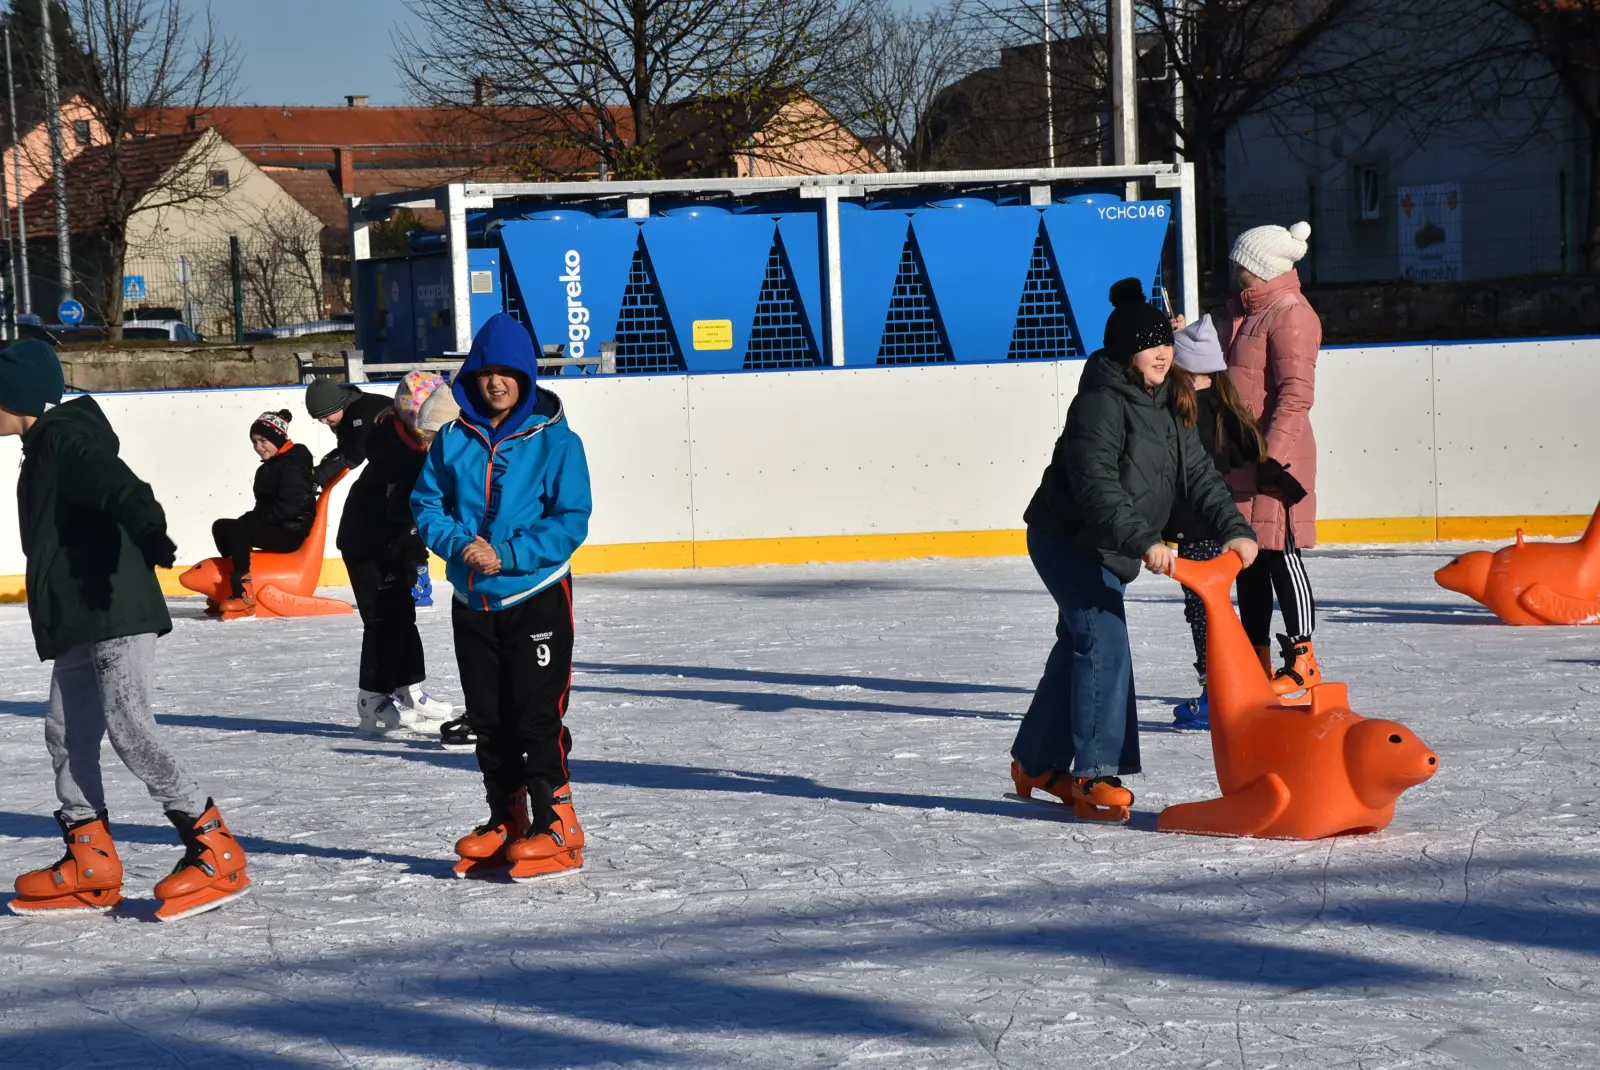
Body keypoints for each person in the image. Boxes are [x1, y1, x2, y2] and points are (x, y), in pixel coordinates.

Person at [0, 340, 250, 921]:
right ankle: (90, 858)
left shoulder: (64, 438)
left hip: (114, 608)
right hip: (79, 615)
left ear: (15, 397)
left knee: (130, 728)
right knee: (66, 735)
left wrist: (148, 526)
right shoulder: (43, 446)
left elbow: (120, 486)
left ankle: (214, 846)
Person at [1009, 280, 1258, 822]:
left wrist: (1235, 528)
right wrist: (1145, 540)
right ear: (1127, 353)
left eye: (1164, 346)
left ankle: (1034, 760)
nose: (1163, 355)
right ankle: (1097, 774)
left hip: (1111, 545)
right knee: (1103, 639)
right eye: (1151, 348)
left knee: (1078, 645)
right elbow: (1096, 485)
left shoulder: (1169, 401)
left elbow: (1199, 476)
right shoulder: (1099, 404)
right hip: (1068, 539)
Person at [412, 313, 592, 880]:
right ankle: (506, 816)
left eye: (507, 373)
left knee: (535, 714)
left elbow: (571, 520)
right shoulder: (451, 439)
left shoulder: (558, 441)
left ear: (525, 378)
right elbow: (427, 505)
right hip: (473, 601)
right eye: (485, 373)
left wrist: (507, 554)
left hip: (535, 595)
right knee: (488, 718)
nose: (495, 384)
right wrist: (461, 546)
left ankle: (557, 822)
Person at [1219, 221, 1321, 695]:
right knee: (1251, 558)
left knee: (1284, 553)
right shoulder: (1250, 312)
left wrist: (1272, 458)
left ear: (1260, 266)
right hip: (1246, 455)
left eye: (1242, 261)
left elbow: (1296, 397)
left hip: (1276, 458)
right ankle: (1256, 660)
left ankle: (1302, 659)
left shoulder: (1291, 314)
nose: (1235, 269)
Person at [336, 371, 457, 735]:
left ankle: (410, 690)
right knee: (381, 620)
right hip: (366, 543)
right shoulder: (397, 451)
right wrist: (417, 545)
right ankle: (371, 696)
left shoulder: (416, 447)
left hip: (394, 541)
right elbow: (400, 510)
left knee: (403, 617)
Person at [1162, 315, 1267, 729]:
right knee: (1213, 608)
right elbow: (1245, 454)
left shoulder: (1183, 411)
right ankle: (1226, 686)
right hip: (1219, 527)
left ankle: (1217, 693)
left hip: (1198, 531)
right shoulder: (1223, 405)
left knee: (1204, 610)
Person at [209, 409, 315, 620]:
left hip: (290, 531)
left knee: (241, 528)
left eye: (263, 441)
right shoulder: (271, 466)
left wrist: (255, 520)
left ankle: (244, 594)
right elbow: (265, 507)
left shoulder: (292, 465)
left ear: (277, 438)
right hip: (277, 524)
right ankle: (231, 586)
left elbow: (291, 506)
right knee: (222, 527)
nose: (258, 448)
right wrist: (253, 518)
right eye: (254, 443)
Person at [304, 377, 391, 488]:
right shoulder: (346, 413)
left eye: (325, 416)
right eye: (318, 418)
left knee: (366, 493)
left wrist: (318, 476)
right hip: (384, 461)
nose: (323, 421)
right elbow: (344, 451)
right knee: (361, 492)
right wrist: (319, 472)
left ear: (337, 406)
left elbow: (354, 455)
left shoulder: (360, 413)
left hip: (406, 459)